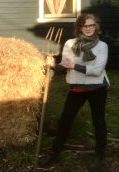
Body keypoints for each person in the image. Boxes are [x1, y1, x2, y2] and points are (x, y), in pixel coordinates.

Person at [40, 13, 110, 171]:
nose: (89, 28)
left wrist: (74, 65)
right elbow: (64, 65)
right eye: (85, 26)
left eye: (92, 25)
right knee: (65, 119)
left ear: (96, 26)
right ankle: (54, 152)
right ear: (79, 27)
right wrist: (52, 65)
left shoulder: (102, 46)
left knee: (98, 120)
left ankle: (99, 154)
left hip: (97, 87)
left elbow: (97, 70)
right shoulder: (70, 43)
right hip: (77, 87)